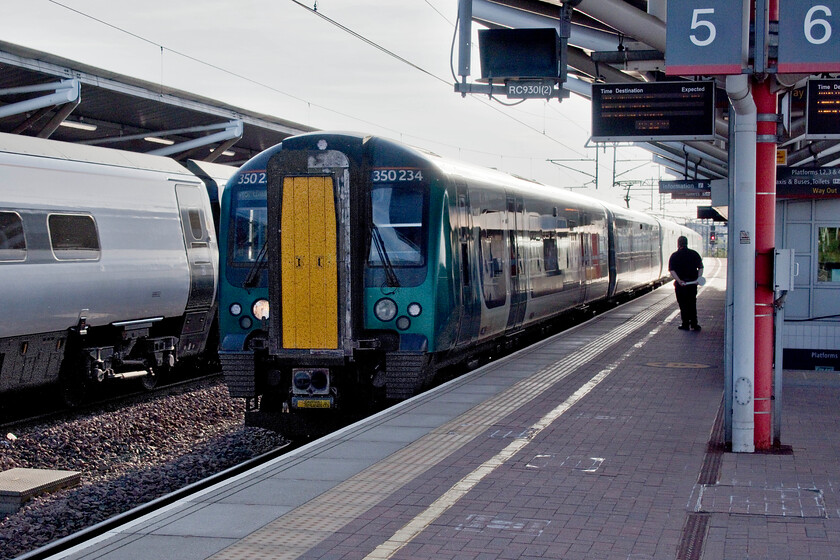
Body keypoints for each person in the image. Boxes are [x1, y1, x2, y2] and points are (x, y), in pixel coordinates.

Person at [668, 235, 704, 331]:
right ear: (687, 243)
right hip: (692, 284)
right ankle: (694, 324)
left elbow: (672, 270)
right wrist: (698, 278)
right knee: (692, 303)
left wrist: (679, 280)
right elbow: (701, 267)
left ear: (678, 244)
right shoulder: (694, 254)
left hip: (681, 285)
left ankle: (685, 324)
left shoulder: (674, 256)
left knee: (683, 304)